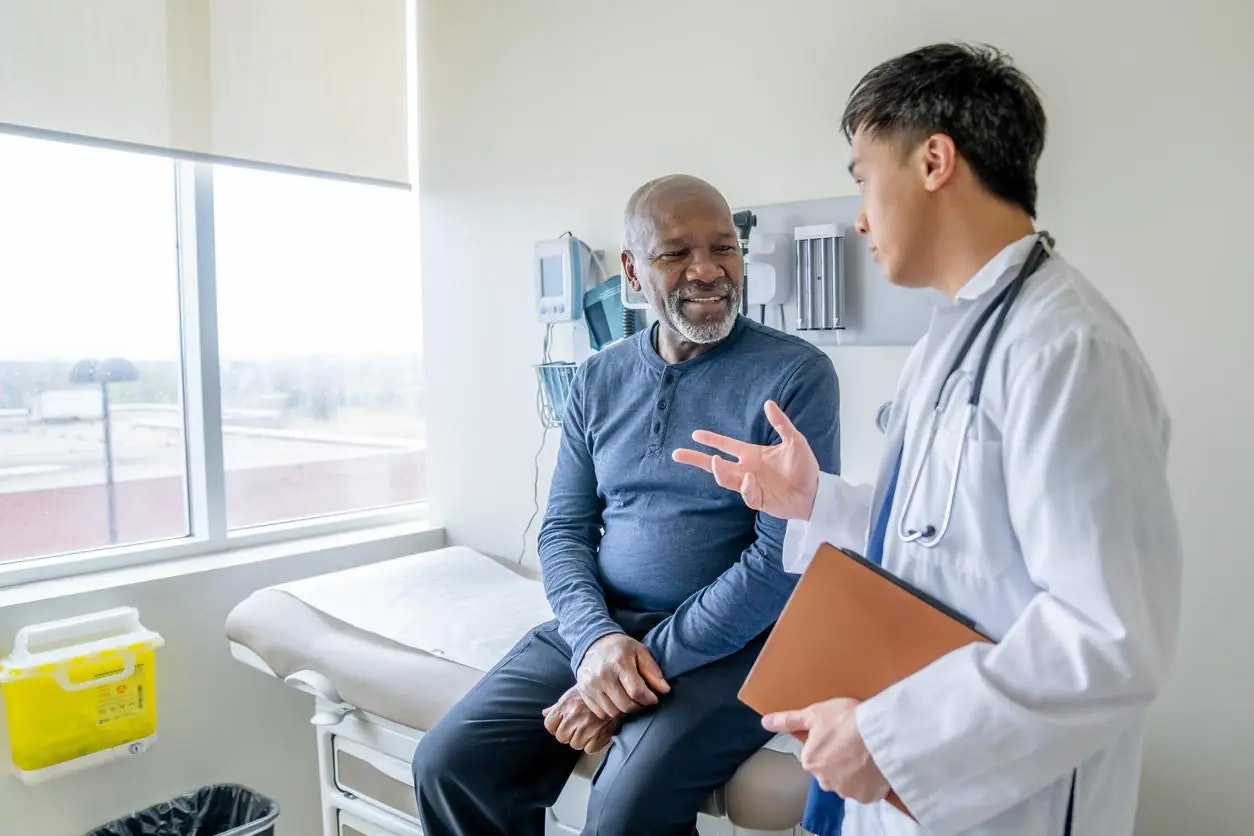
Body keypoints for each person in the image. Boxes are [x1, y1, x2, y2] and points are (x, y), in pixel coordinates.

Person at [674, 43, 1182, 836]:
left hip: (1005, 797)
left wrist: (892, 736)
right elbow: (944, 534)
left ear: (935, 161)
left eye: (863, 177)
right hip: (917, 773)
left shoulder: (1065, 349)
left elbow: (1108, 636)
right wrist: (818, 500)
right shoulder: (954, 338)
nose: (859, 217)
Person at [411, 174, 841, 835]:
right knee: (450, 764)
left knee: (624, 813)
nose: (707, 271)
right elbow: (563, 530)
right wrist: (597, 644)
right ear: (633, 272)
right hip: (608, 627)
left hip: (742, 644)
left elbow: (781, 563)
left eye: (723, 248)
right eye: (676, 254)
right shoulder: (599, 377)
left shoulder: (794, 375)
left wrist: (638, 669)